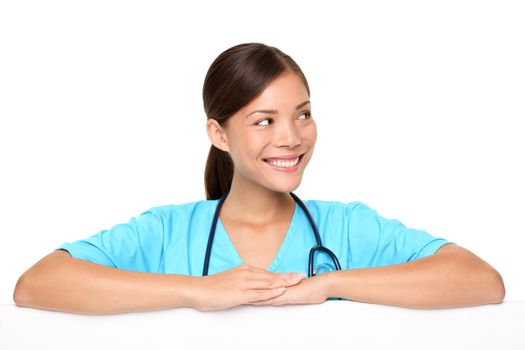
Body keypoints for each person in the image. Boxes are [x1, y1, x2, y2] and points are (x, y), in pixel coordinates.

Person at [13, 43, 505, 315]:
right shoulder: (167, 232)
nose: (292, 138)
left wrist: (328, 284)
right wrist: (194, 290)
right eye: (264, 120)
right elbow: (37, 285)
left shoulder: (348, 227)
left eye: (303, 114)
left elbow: (480, 282)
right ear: (219, 134)